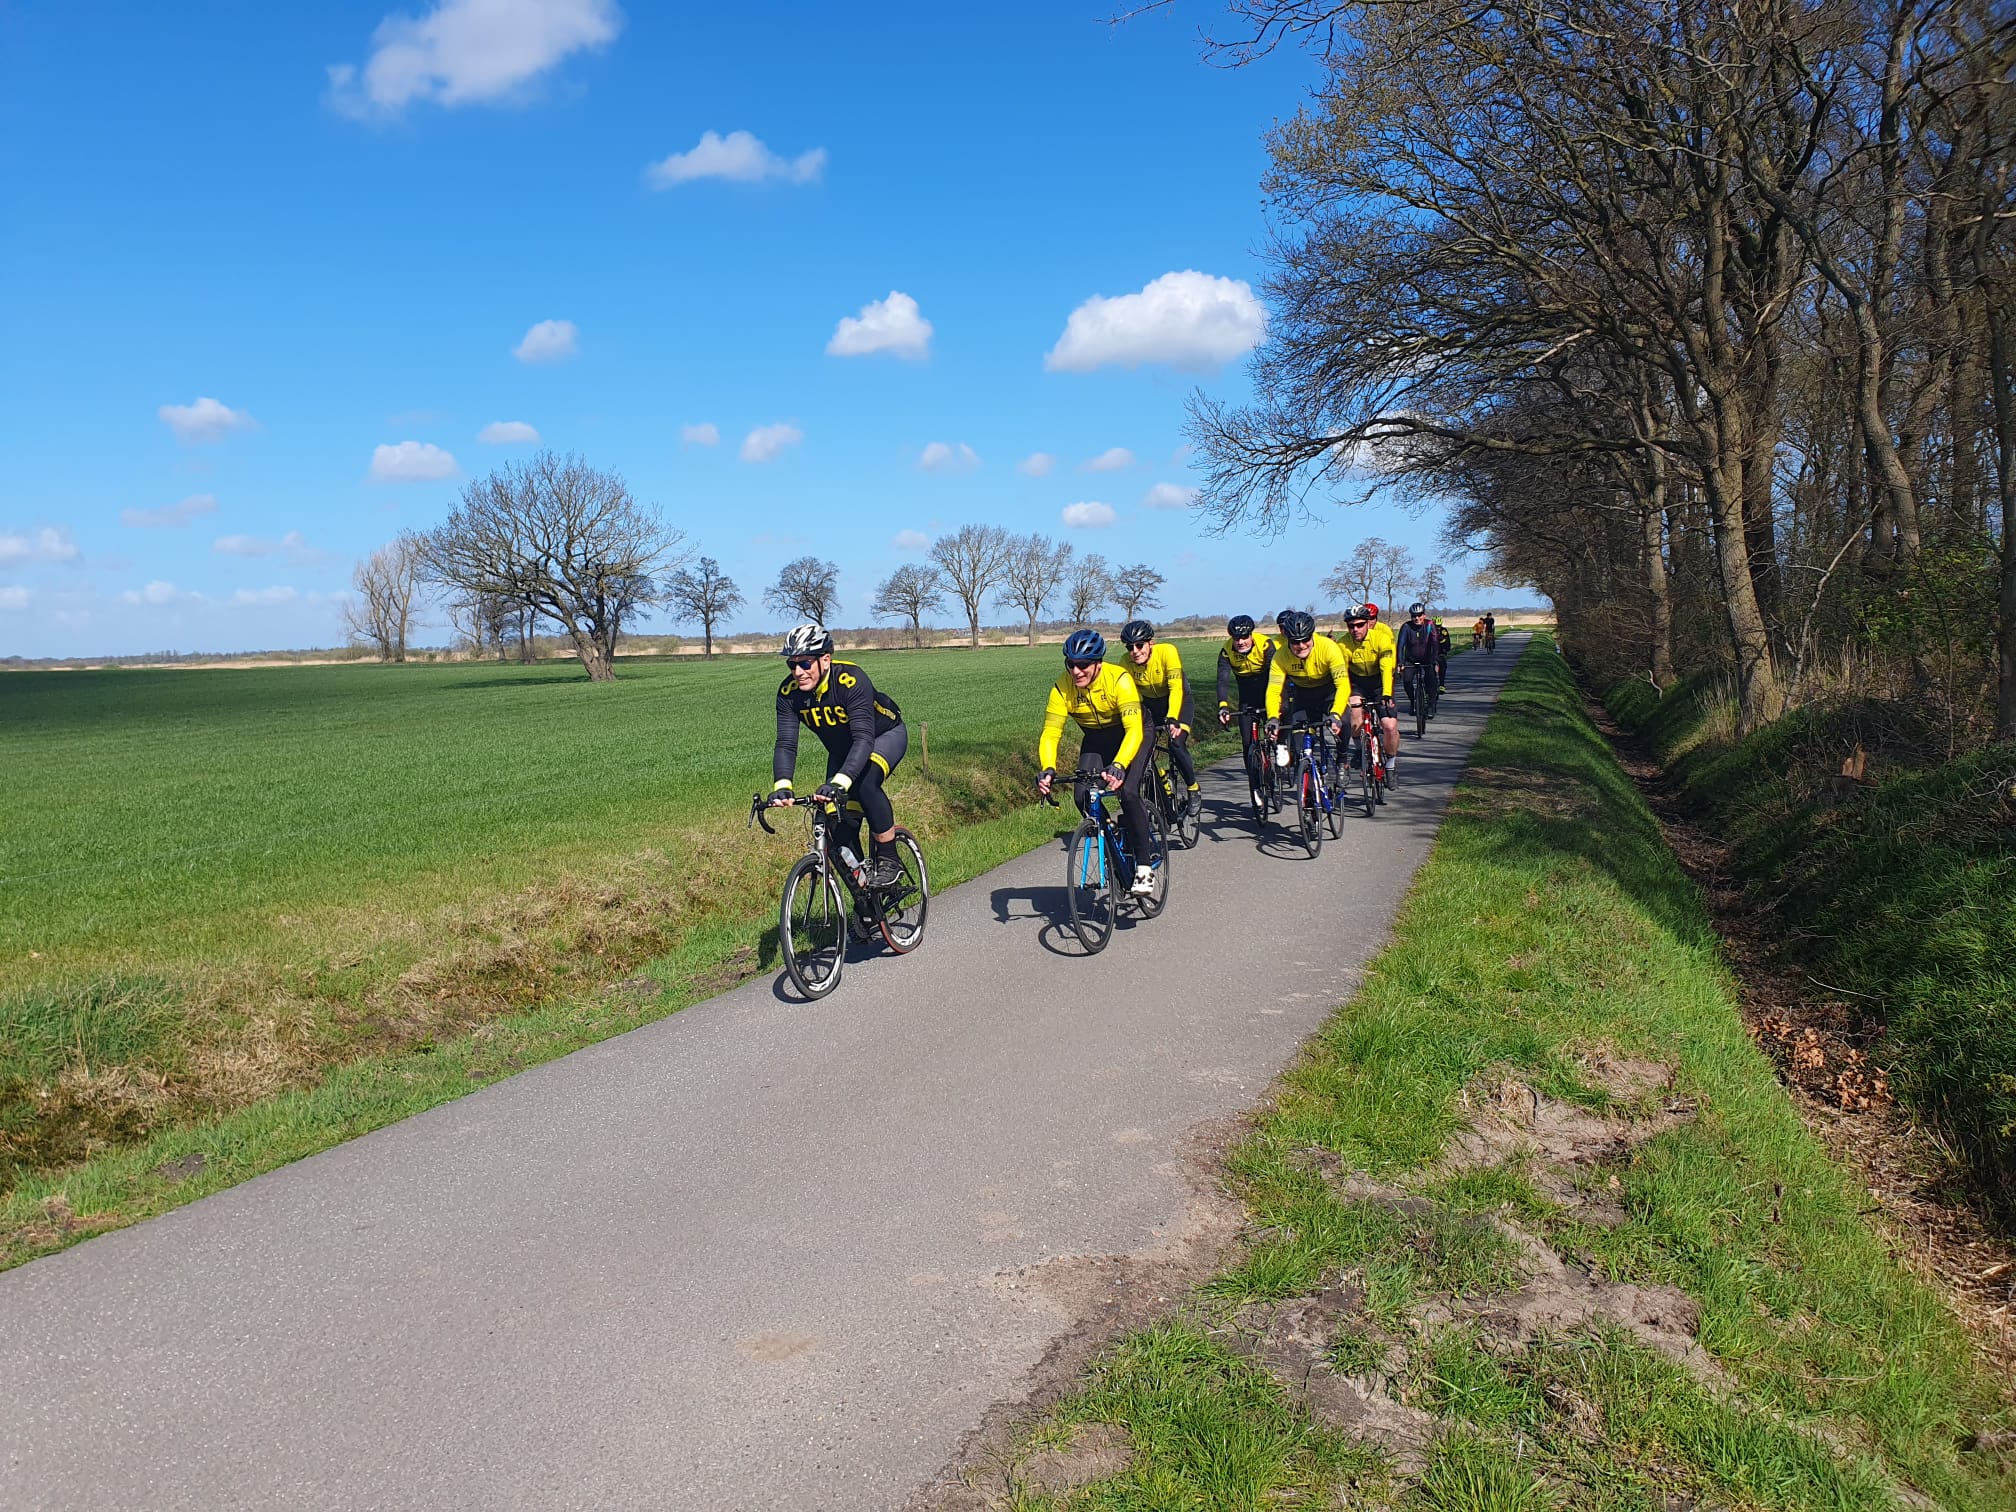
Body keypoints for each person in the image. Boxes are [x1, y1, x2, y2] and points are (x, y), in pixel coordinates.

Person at [769, 623, 909, 888]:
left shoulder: (850, 680)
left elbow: (864, 740)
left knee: (866, 785)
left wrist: (839, 783)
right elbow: (786, 743)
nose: (798, 672)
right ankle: (867, 903)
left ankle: (889, 859)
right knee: (838, 823)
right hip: (843, 751)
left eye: (805, 664)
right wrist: (782, 786)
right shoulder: (788, 694)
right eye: (792, 665)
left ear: (825, 659)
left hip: (882, 736)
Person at [1037, 629, 1159, 894]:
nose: (1076, 671)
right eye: (1071, 664)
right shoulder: (1062, 688)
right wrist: (1048, 767)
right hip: (1097, 737)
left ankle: (1144, 865)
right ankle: (1110, 833)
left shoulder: (1119, 680)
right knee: (1082, 796)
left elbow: (1134, 731)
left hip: (1135, 732)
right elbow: (1051, 733)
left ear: (1098, 664)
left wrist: (1120, 764)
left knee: (1127, 790)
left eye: (1083, 665)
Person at [1119, 619, 1196, 815]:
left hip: (1178, 702)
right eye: (1130, 647)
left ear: (1151, 643)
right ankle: (1159, 780)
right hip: (1151, 707)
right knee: (1142, 748)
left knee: (1176, 744)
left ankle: (1193, 789)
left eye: (1139, 645)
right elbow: (1131, 698)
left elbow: (1175, 688)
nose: (1135, 651)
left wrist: (1172, 717)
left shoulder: (1167, 652)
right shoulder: (1125, 663)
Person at [1263, 609, 1350, 768]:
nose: (1301, 646)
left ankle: (1342, 759)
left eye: (1305, 640)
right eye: (1295, 641)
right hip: (1303, 697)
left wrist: (1336, 713)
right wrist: (1273, 717)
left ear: (1312, 635)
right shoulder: (1280, 656)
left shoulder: (1328, 648)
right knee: (1300, 748)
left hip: (1329, 694)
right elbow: (1274, 690)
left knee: (1344, 721)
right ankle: (1308, 787)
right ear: (1287, 639)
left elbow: (1343, 684)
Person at [1339, 603, 1400, 783]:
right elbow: (1341, 672)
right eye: (1351, 626)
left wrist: (1387, 694)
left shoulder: (1381, 638)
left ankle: (1390, 766)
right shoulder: (1343, 643)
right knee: (1355, 711)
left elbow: (1386, 667)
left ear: (1368, 623)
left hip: (1380, 682)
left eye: (1359, 625)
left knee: (1389, 726)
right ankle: (1359, 750)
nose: (1355, 629)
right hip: (1358, 683)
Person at [1217, 614, 1276, 801]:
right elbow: (1223, 680)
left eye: (1244, 637)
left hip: (1269, 690)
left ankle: (1281, 750)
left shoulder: (1266, 645)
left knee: (1277, 728)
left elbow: (1276, 676)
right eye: (1236, 638)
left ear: (1252, 635)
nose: (1240, 642)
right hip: (1247, 696)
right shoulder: (1226, 651)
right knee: (1247, 742)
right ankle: (1255, 783)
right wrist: (1223, 706)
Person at [1395, 602, 1440, 722]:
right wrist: (1400, 663)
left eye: (1419, 615)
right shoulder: (1406, 627)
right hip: (1411, 659)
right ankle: (1413, 701)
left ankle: (1431, 705)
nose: (1416, 618)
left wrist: (1435, 660)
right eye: (1414, 615)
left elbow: (1435, 643)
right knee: (1407, 681)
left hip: (1427, 659)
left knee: (1430, 680)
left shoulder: (1430, 625)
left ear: (1424, 615)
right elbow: (1400, 646)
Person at [1434, 617, 1452, 692]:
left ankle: (1442, 685)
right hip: (1431, 653)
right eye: (1436, 626)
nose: (1438, 628)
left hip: (1441, 652)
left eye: (1439, 626)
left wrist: (1446, 649)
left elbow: (1447, 642)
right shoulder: (1429, 630)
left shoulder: (1444, 631)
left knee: (1443, 667)